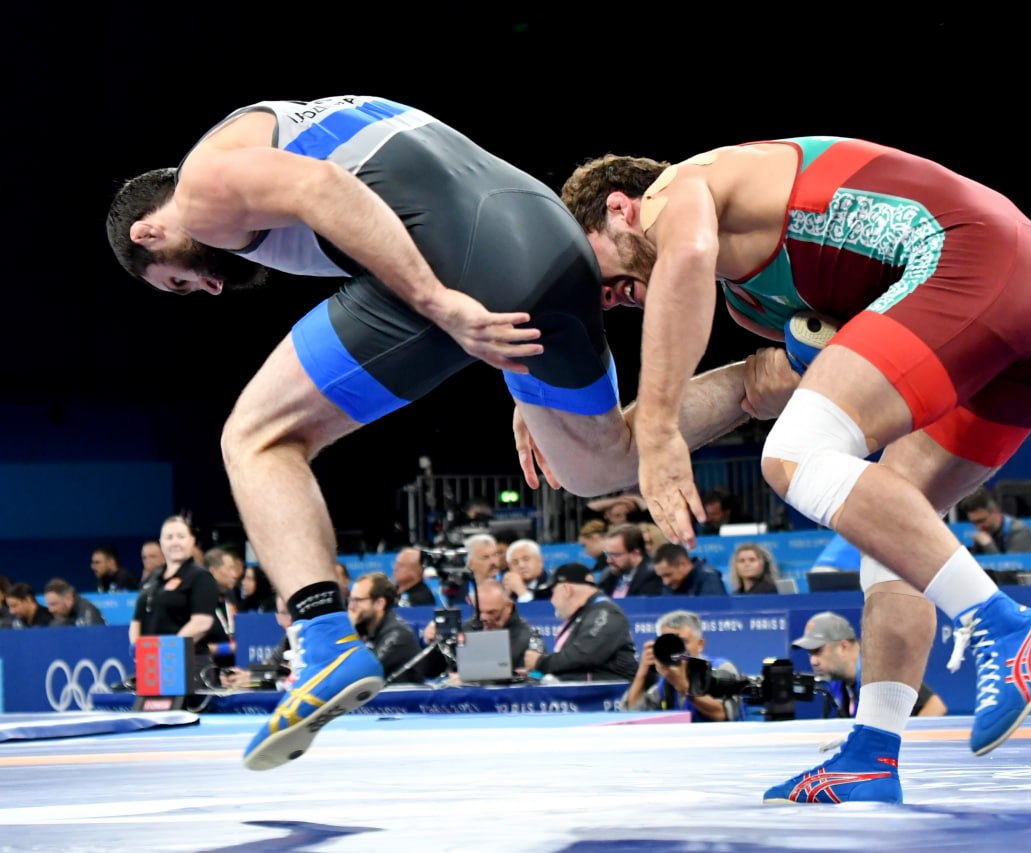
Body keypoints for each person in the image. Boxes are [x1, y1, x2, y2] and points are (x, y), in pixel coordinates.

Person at [107, 95, 785, 772]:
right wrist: (526, 381)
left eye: (181, 283)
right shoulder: (298, 118)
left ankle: (323, 641)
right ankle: (769, 375)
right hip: (551, 234)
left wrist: (439, 301)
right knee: (596, 465)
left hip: (459, 261)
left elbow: (325, 187)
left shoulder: (200, 189)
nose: (209, 289)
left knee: (256, 437)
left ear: (148, 233)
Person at [559, 136, 1031, 804]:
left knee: (793, 454)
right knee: (895, 531)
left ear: (621, 208)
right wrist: (559, 413)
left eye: (594, 268)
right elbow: (789, 377)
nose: (608, 298)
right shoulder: (749, 303)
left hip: (975, 256)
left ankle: (1004, 625)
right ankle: (872, 755)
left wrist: (662, 425)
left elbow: (689, 256)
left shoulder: (683, 187)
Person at [792, 612, 946, 719]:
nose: (813, 661)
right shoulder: (837, 685)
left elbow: (935, 706)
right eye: (810, 654)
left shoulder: (881, 673)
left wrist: (903, 744)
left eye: (818, 651)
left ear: (843, 647)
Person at [522, 563, 637, 683]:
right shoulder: (585, 614)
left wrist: (541, 663)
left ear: (566, 590)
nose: (551, 600)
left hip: (613, 693)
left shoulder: (606, 613)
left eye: (552, 593)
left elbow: (584, 655)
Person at [625, 609, 741, 722]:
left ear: (700, 644)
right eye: (669, 642)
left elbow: (723, 714)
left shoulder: (721, 669)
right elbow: (633, 715)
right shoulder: (667, 680)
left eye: (682, 642)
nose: (676, 648)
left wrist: (683, 686)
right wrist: (642, 673)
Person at [129, 515, 220, 655]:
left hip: (188, 660)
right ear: (161, 543)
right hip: (151, 661)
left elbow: (202, 622)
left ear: (192, 541)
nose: (175, 542)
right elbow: (137, 620)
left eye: (181, 537)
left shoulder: (201, 577)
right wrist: (138, 649)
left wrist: (168, 650)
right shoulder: (153, 577)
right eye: (169, 537)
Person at [421, 579, 545, 678]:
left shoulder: (527, 637)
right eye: (479, 612)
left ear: (508, 607)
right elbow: (429, 672)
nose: (484, 618)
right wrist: (436, 644)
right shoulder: (468, 628)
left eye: (492, 612)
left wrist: (466, 680)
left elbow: (530, 678)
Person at [347, 572, 429, 684]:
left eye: (358, 600)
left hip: (401, 694)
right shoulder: (364, 629)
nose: (351, 607)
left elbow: (361, 672)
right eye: (351, 599)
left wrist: (349, 630)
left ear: (379, 603)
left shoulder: (398, 635)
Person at [956, 487, 1031, 554]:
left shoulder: (1019, 530)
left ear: (995, 512)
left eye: (981, 521)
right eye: (974, 523)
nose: (978, 527)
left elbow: (1012, 569)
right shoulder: (984, 533)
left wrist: (988, 545)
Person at [597, 524, 664, 599]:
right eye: (607, 554)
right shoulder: (608, 575)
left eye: (615, 555)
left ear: (635, 554)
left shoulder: (653, 575)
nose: (608, 560)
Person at [653, 543, 728, 597]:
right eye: (661, 576)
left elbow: (714, 611)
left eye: (668, 575)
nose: (665, 582)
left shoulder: (709, 579)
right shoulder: (670, 585)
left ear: (682, 564)